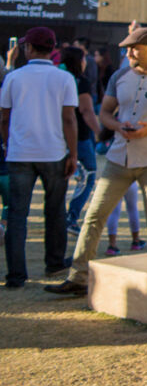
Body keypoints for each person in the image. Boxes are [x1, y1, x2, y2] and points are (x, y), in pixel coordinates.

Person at [46, 27, 147, 297]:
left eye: (134, 49)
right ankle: (79, 277)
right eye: (127, 49)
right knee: (94, 216)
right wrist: (117, 126)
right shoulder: (120, 76)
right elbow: (104, 113)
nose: (128, 54)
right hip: (118, 157)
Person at [0, 27, 77, 289]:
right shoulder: (64, 78)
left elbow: (4, 117)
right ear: (52, 49)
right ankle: (54, 262)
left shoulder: (14, 77)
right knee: (55, 210)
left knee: (17, 215)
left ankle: (16, 275)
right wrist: (73, 153)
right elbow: (69, 119)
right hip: (54, 152)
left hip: (20, 153)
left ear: (29, 48)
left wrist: (8, 144)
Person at [61, 47, 103, 232]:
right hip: (80, 136)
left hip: (57, 136)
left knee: (60, 178)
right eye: (84, 58)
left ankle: (58, 218)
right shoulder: (80, 81)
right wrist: (99, 132)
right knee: (89, 175)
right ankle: (71, 217)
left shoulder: (57, 78)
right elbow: (86, 111)